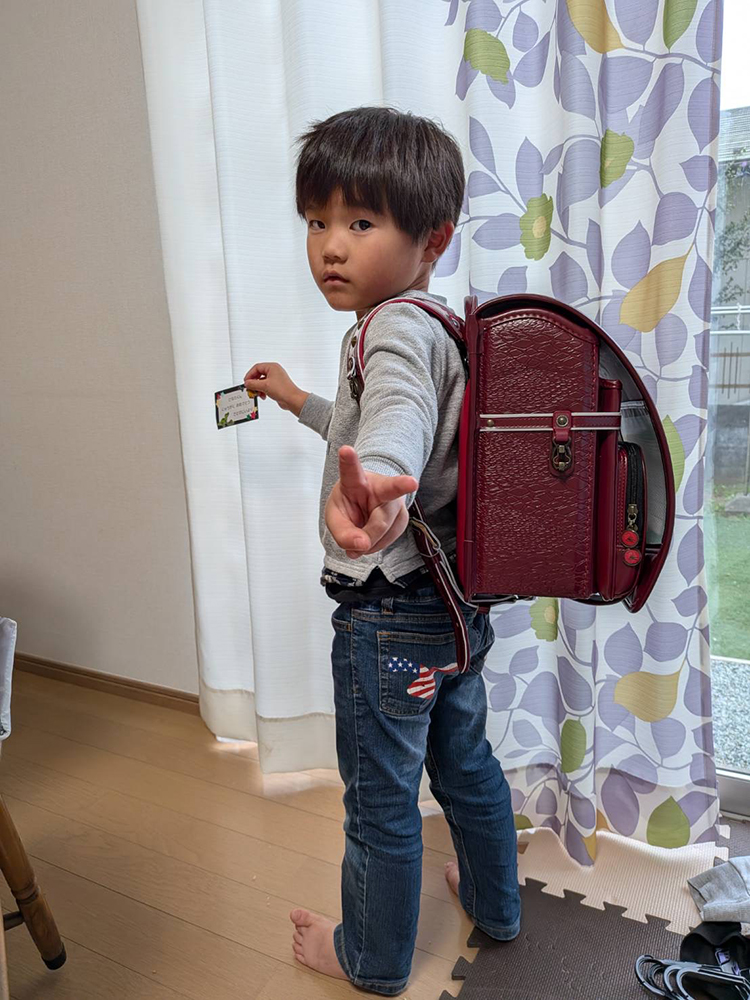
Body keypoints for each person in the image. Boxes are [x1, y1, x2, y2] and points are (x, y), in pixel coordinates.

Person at [243, 106, 520, 997]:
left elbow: (395, 424)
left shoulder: (391, 330)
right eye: (316, 222)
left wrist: (382, 488)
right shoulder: (441, 325)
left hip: (389, 617)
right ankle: (498, 905)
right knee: (465, 764)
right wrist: (300, 401)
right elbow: (376, 424)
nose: (330, 246)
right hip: (454, 607)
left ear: (432, 237)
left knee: (380, 796)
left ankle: (369, 958)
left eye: (360, 223)